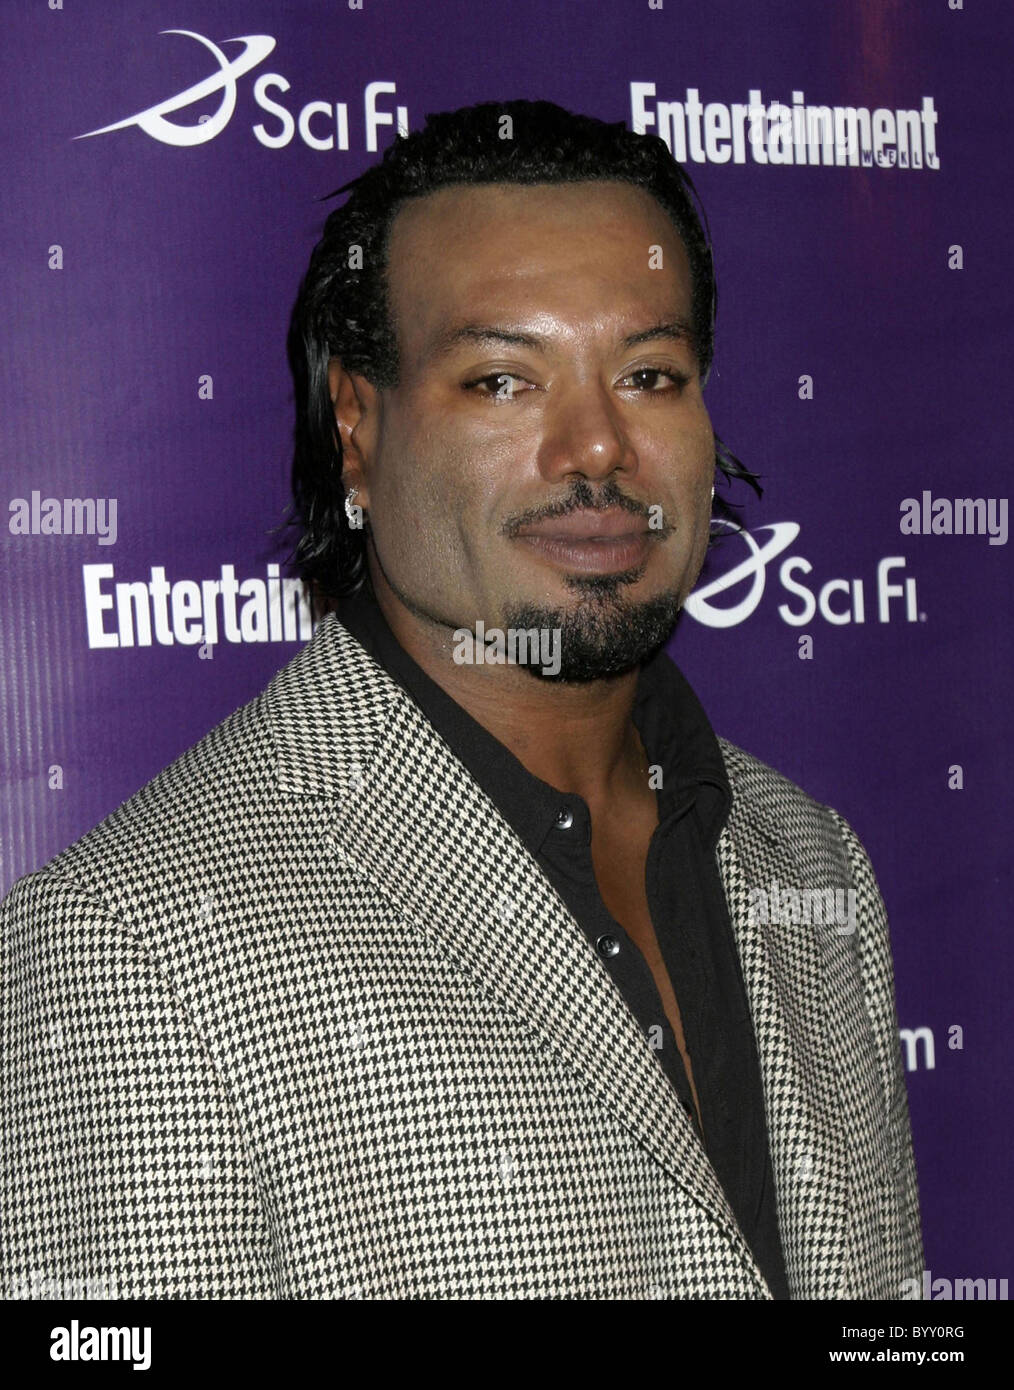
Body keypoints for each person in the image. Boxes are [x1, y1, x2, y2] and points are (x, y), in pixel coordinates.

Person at [1, 99, 922, 1300]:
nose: (595, 449)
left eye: (649, 373)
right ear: (356, 426)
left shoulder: (813, 857)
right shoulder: (130, 951)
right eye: (502, 381)